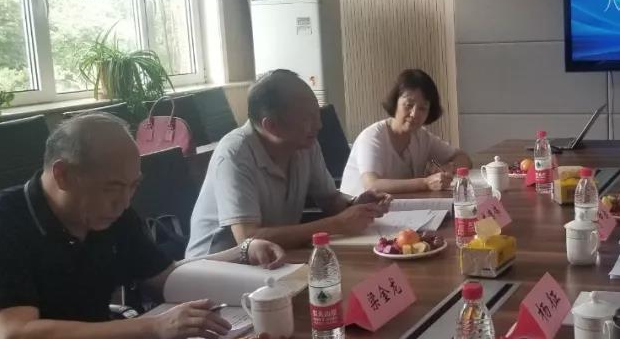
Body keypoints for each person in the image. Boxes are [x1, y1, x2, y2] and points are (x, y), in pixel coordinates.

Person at [0, 114, 287, 339]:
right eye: (113, 187)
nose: (125, 202)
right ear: (63, 175)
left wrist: (242, 252)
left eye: (133, 186)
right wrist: (152, 328)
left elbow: (166, 276)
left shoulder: (112, 214)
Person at [186, 70, 389, 257]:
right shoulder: (235, 154)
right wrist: (336, 224)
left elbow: (329, 200)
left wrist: (355, 204)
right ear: (271, 126)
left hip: (274, 257)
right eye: (307, 118)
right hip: (215, 265)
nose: (319, 125)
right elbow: (248, 239)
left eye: (317, 114)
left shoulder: (306, 145)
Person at [339, 69, 471, 195]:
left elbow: (463, 158)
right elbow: (372, 185)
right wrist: (425, 183)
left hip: (397, 207)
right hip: (357, 208)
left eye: (422, 108)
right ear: (395, 102)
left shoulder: (422, 137)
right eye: (408, 105)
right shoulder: (372, 137)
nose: (414, 114)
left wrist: (449, 167)